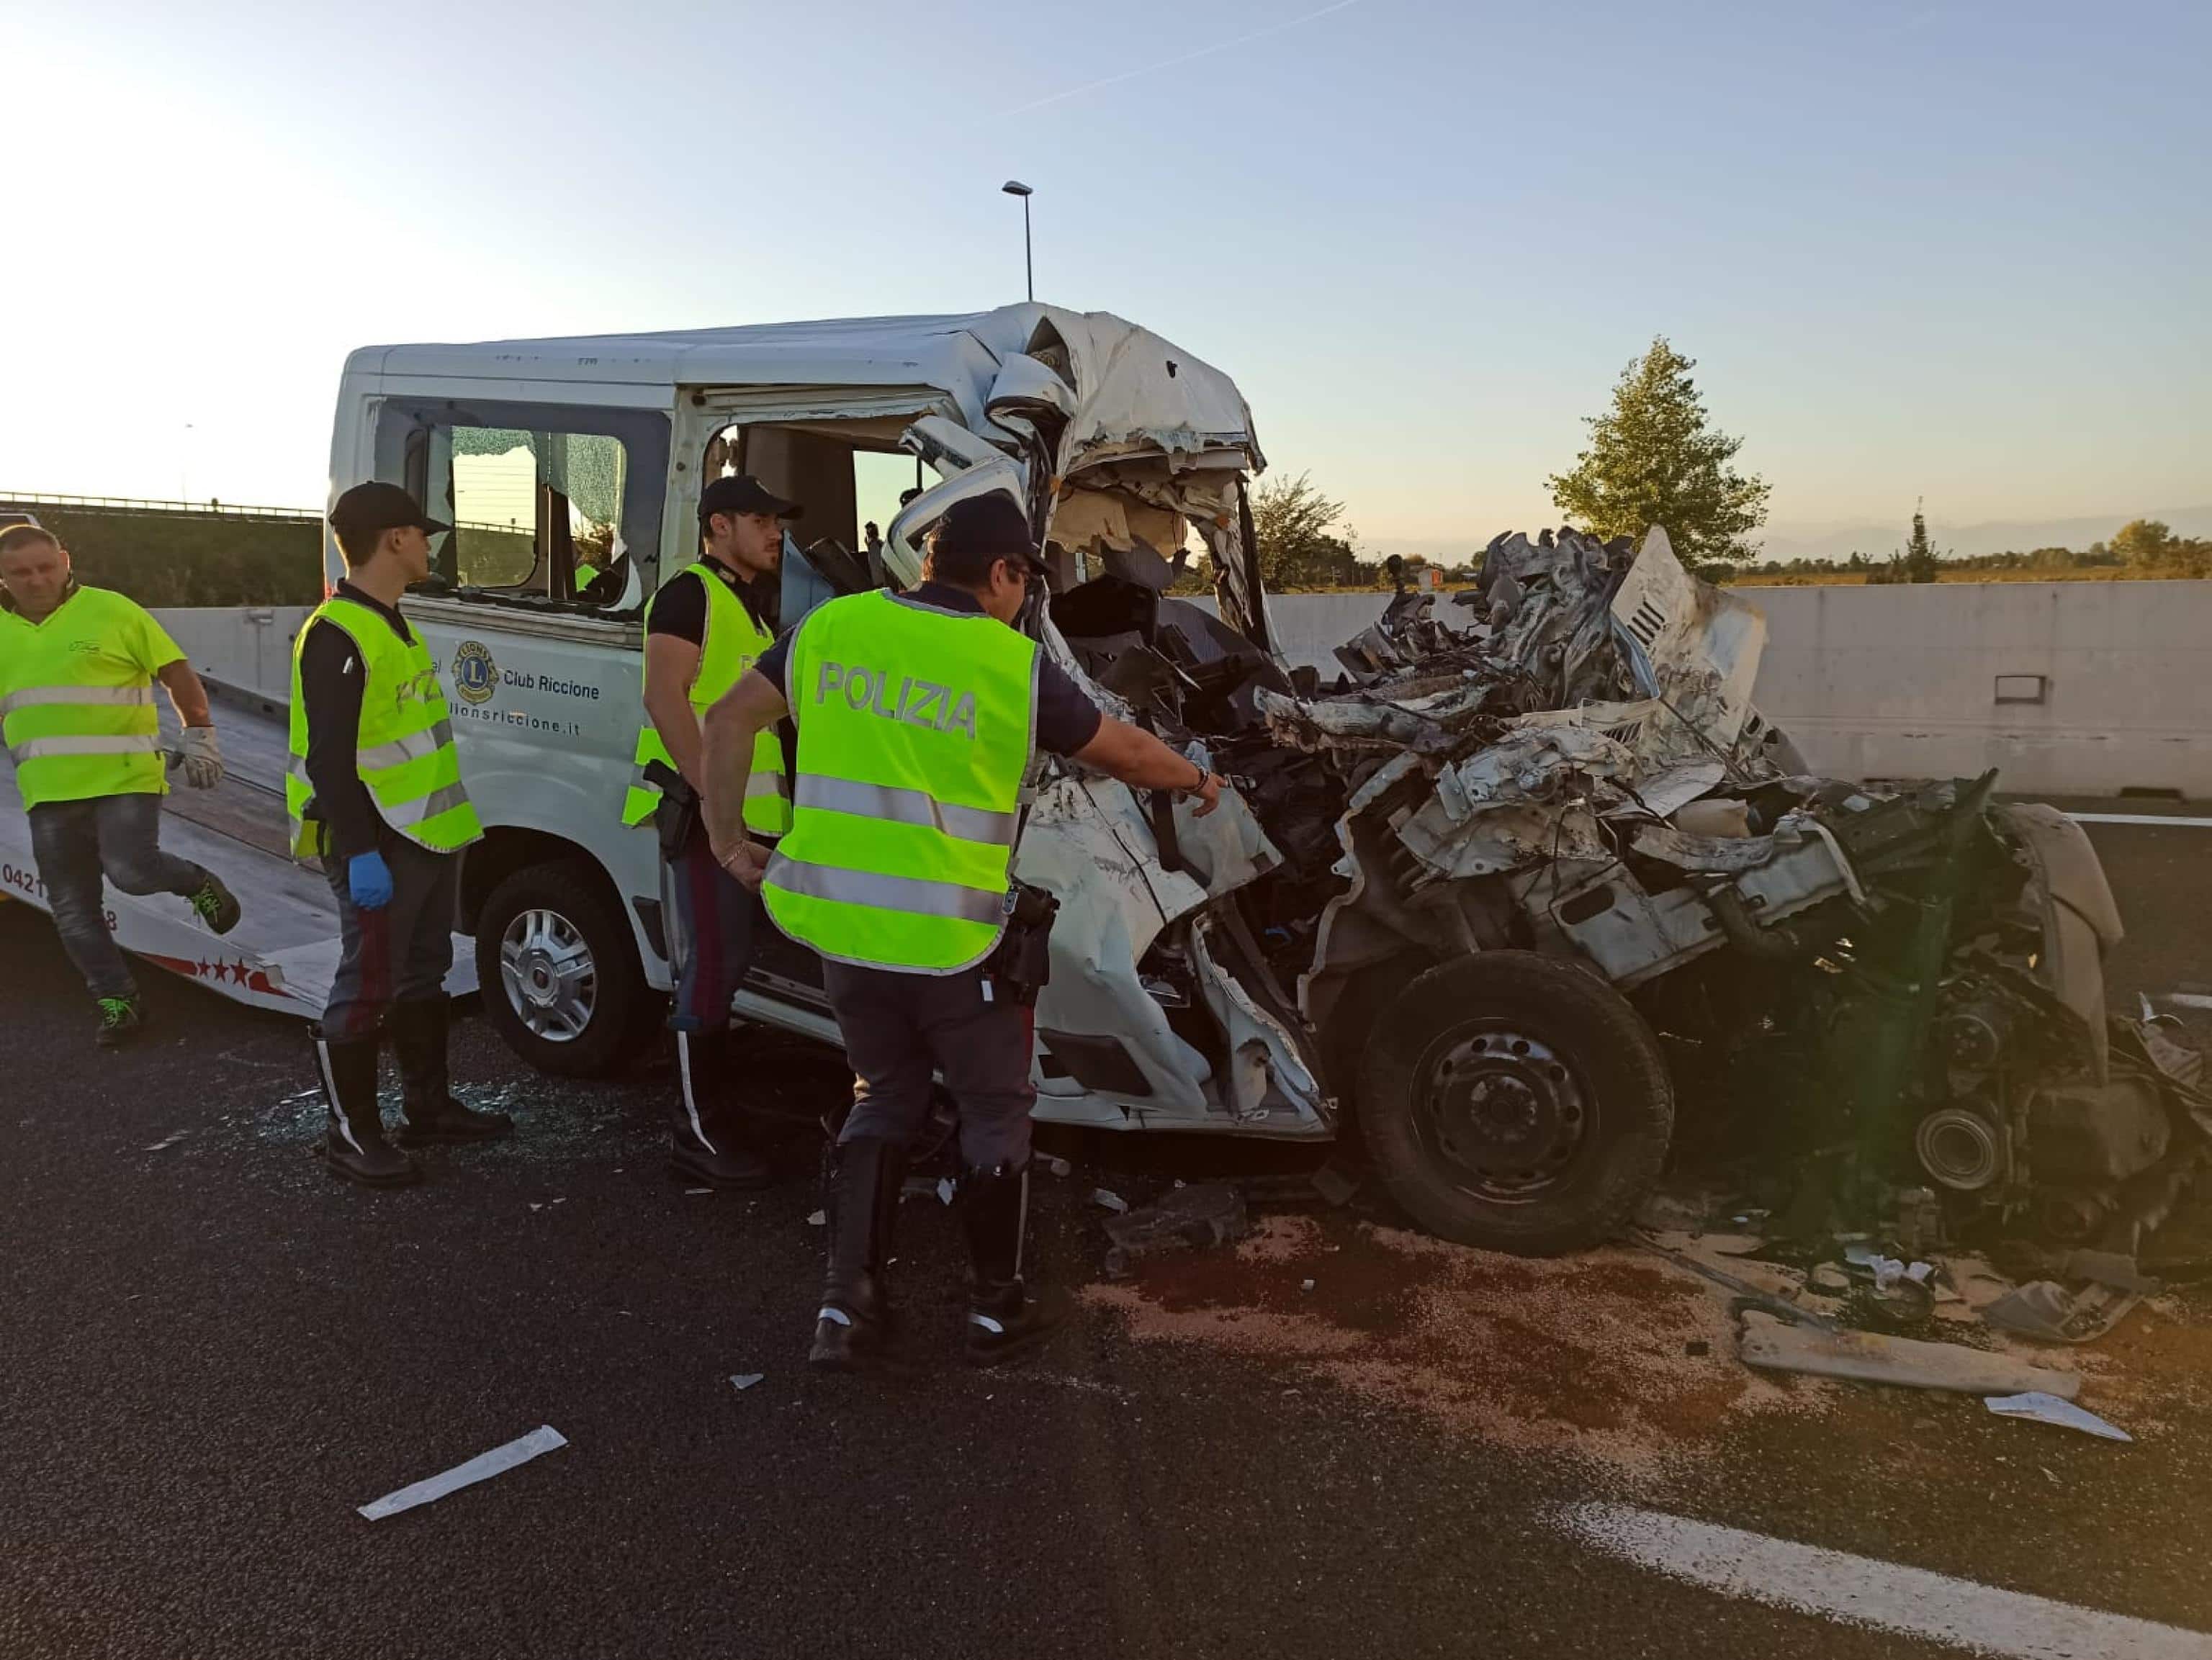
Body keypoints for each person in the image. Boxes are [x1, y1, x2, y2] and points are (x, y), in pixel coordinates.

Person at [699, 492, 1225, 1370]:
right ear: (1003, 574)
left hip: (845, 927)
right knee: (992, 1107)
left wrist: (728, 843)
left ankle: (847, 1310)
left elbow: (724, 719)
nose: (1027, 599)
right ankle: (992, 1310)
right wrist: (1197, 779)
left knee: (882, 1093)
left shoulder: (831, 629)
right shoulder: (1007, 662)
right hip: (955, 941)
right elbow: (1123, 751)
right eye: (1028, 580)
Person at [288, 483, 512, 1186]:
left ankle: (428, 1106)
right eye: (422, 533)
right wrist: (358, 852)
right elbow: (329, 757)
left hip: (419, 833)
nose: (429, 545)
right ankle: (349, 1134)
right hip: (378, 840)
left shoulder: (388, 621)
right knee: (367, 982)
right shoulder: (338, 633)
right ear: (393, 539)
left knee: (422, 971)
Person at [620, 476, 799, 1188]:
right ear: (719, 524)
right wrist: (712, 803)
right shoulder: (688, 593)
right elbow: (664, 696)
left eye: (776, 520)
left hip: (741, 822)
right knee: (712, 965)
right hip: (706, 821)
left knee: (728, 966)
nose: (775, 532)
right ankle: (694, 1132)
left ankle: (713, 1112)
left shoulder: (745, 607)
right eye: (762, 518)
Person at [0, 521, 241, 1047]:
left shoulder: (114, 611)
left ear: (65, 561)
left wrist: (199, 731)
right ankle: (118, 1003)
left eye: (45, 567)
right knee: (72, 909)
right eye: (21, 572)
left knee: (131, 872)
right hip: (48, 793)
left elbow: (176, 672)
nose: (36, 579)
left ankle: (196, 881)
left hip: (124, 778)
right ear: (3, 576)